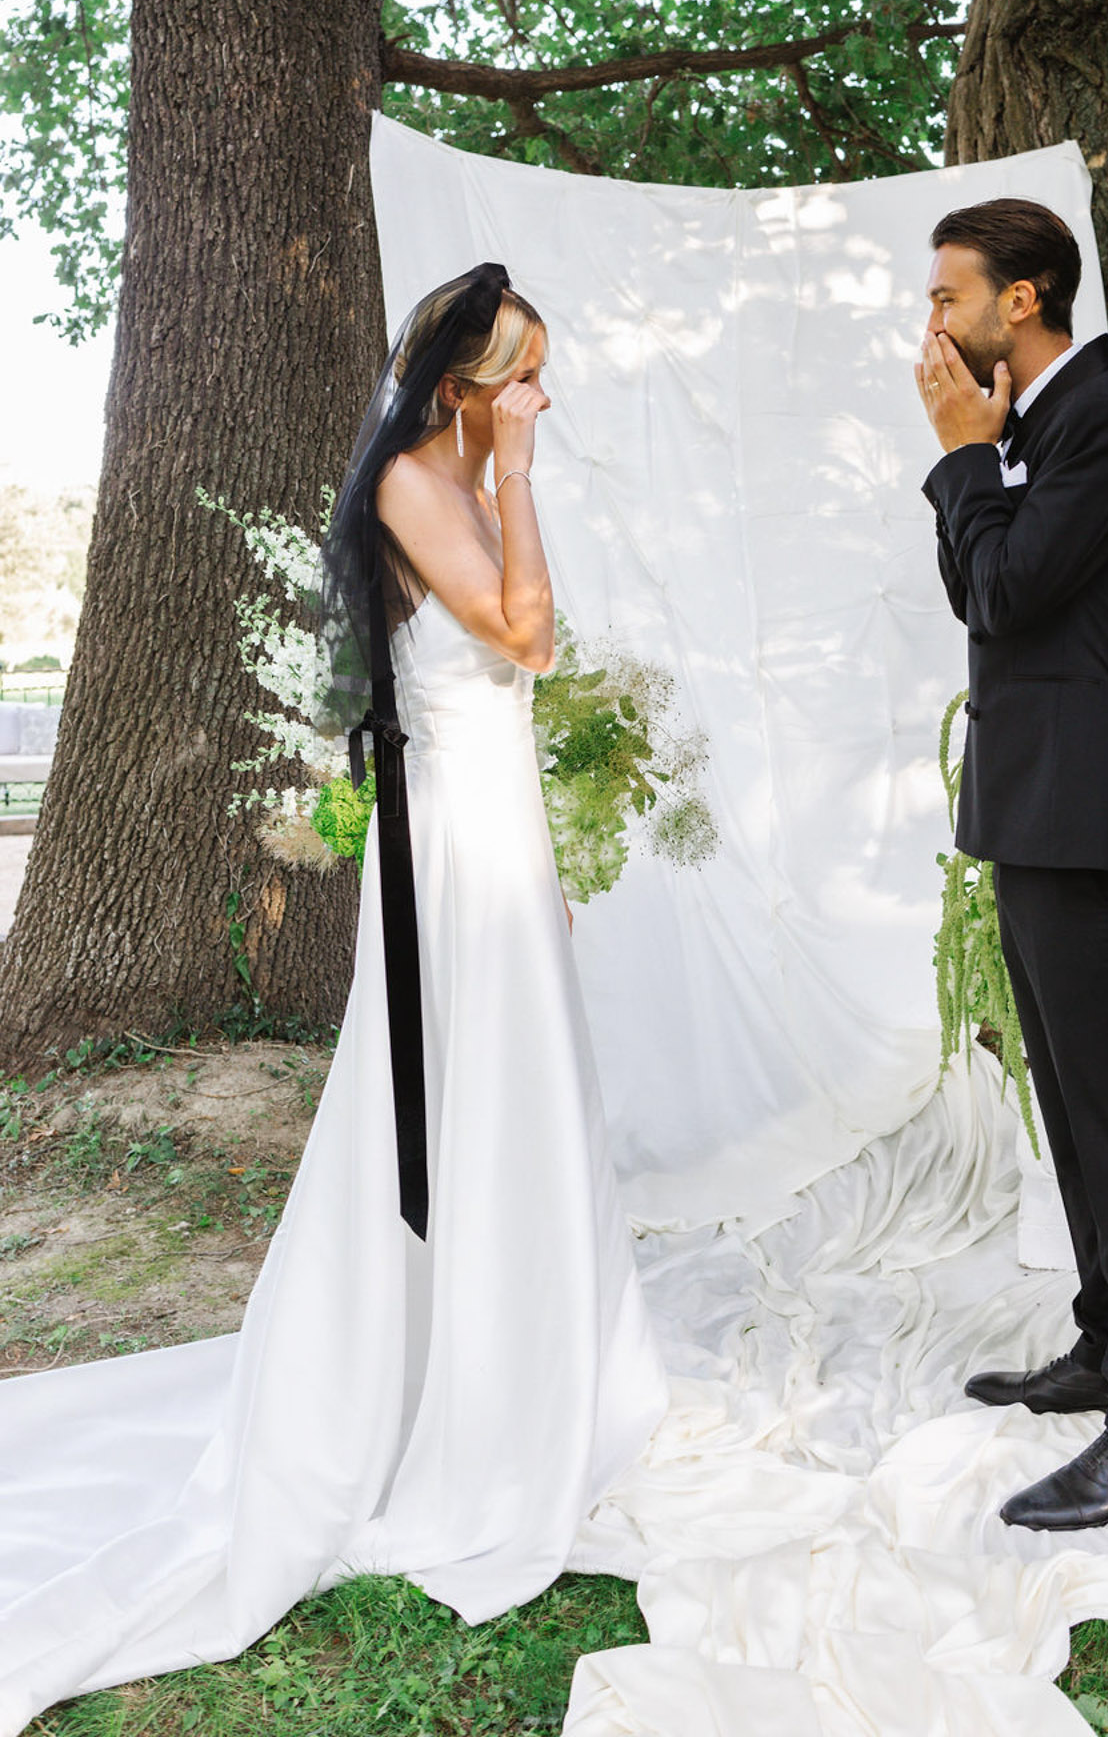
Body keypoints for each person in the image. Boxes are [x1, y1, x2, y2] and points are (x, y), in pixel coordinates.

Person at [0, 264, 665, 1735]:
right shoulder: (425, 487)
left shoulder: (456, 472)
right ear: (461, 387)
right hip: (452, 869)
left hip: (494, 840)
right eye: (523, 377)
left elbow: (502, 687)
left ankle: (532, 1353)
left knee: (528, 1098)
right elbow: (528, 638)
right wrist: (521, 476)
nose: (540, 399)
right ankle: (445, 1380)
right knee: (462, 1098)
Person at [916, 199, 1108, 1532]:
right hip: (1039, 814)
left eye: (947, 298)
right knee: (1078, 1121)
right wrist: (972, 462)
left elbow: (1007, 593)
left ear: (1019, 300)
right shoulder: (1028, 428)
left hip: (1095, 821)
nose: (933, 323)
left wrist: (962, 455)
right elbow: (983, 591)